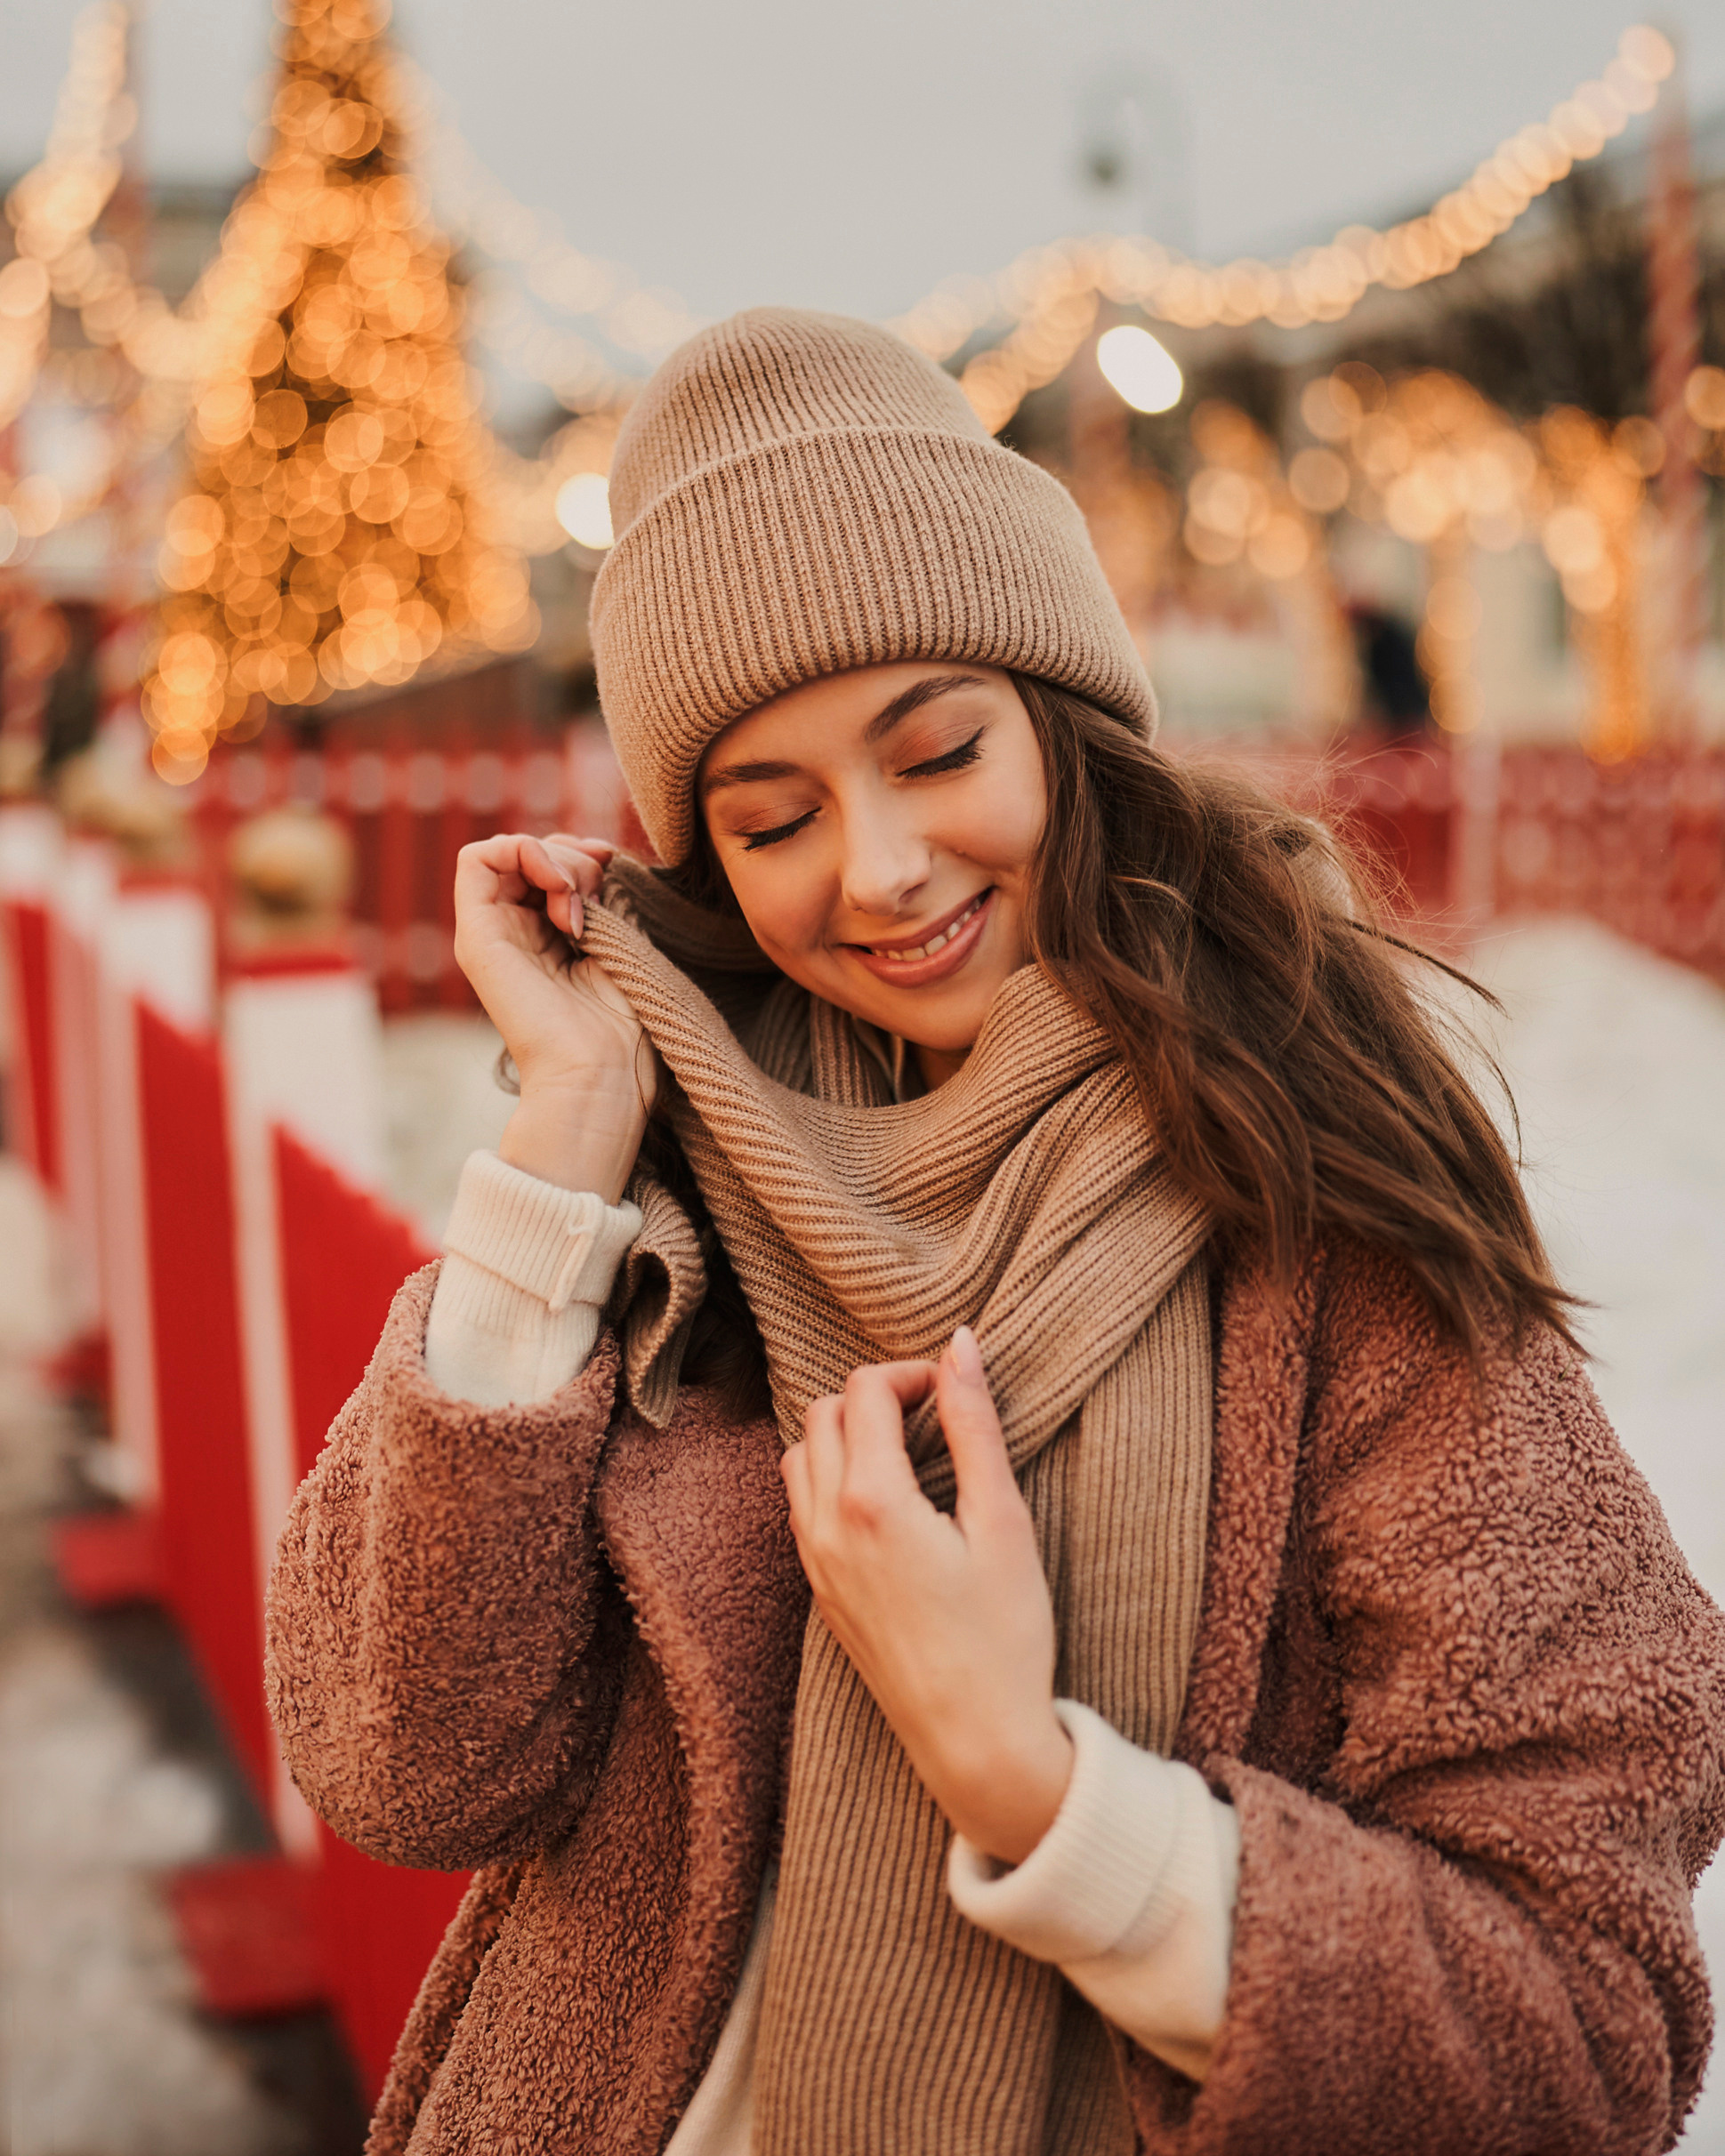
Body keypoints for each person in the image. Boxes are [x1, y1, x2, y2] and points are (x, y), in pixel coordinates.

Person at [266, 310, 1724, 2156]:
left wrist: (1036, 1792)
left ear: (1062, 723)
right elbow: (404, 1758)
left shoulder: (1332, 1211)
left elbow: (1578, 2033)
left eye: (935, 749)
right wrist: (558, 1145)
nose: (873, 867)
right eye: (772, 815)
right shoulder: (665, 1202)